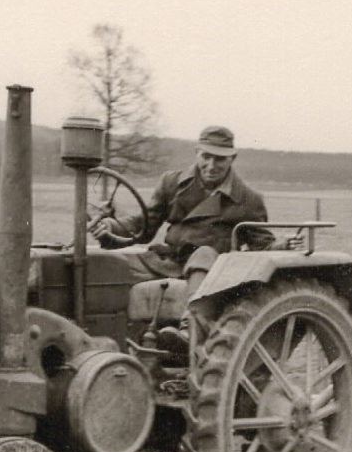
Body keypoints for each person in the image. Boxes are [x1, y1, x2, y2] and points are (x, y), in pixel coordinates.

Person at [88, 125, 300, 351]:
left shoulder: (248, 199)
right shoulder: (172, 183)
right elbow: (144, 225)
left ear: (232, 158)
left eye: (220, 159)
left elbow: (262, 246)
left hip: (211, 270)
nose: (211, 165)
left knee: (204, 253)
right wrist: (110, 226)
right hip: (167, 262)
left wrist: (282, 245)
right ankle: (96, 340)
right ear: (196, 153)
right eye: (206, 156)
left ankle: (191, 331)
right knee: (107, 266)